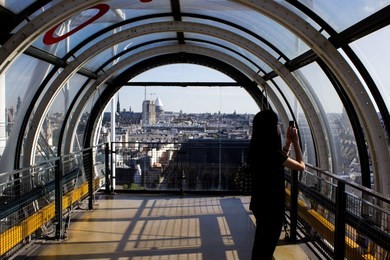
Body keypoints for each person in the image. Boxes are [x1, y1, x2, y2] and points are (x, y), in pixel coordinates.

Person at [247, 110, 305, 260]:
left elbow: (279, 159)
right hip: (273, 207)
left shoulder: (256, 148)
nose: (279, 127)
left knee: (260, 245)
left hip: (260, 204)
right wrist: (296, 142)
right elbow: (301, 166)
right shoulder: (273, 154)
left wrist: (287, 144)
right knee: (267, 248)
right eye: (277, 124)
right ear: (271, 129)